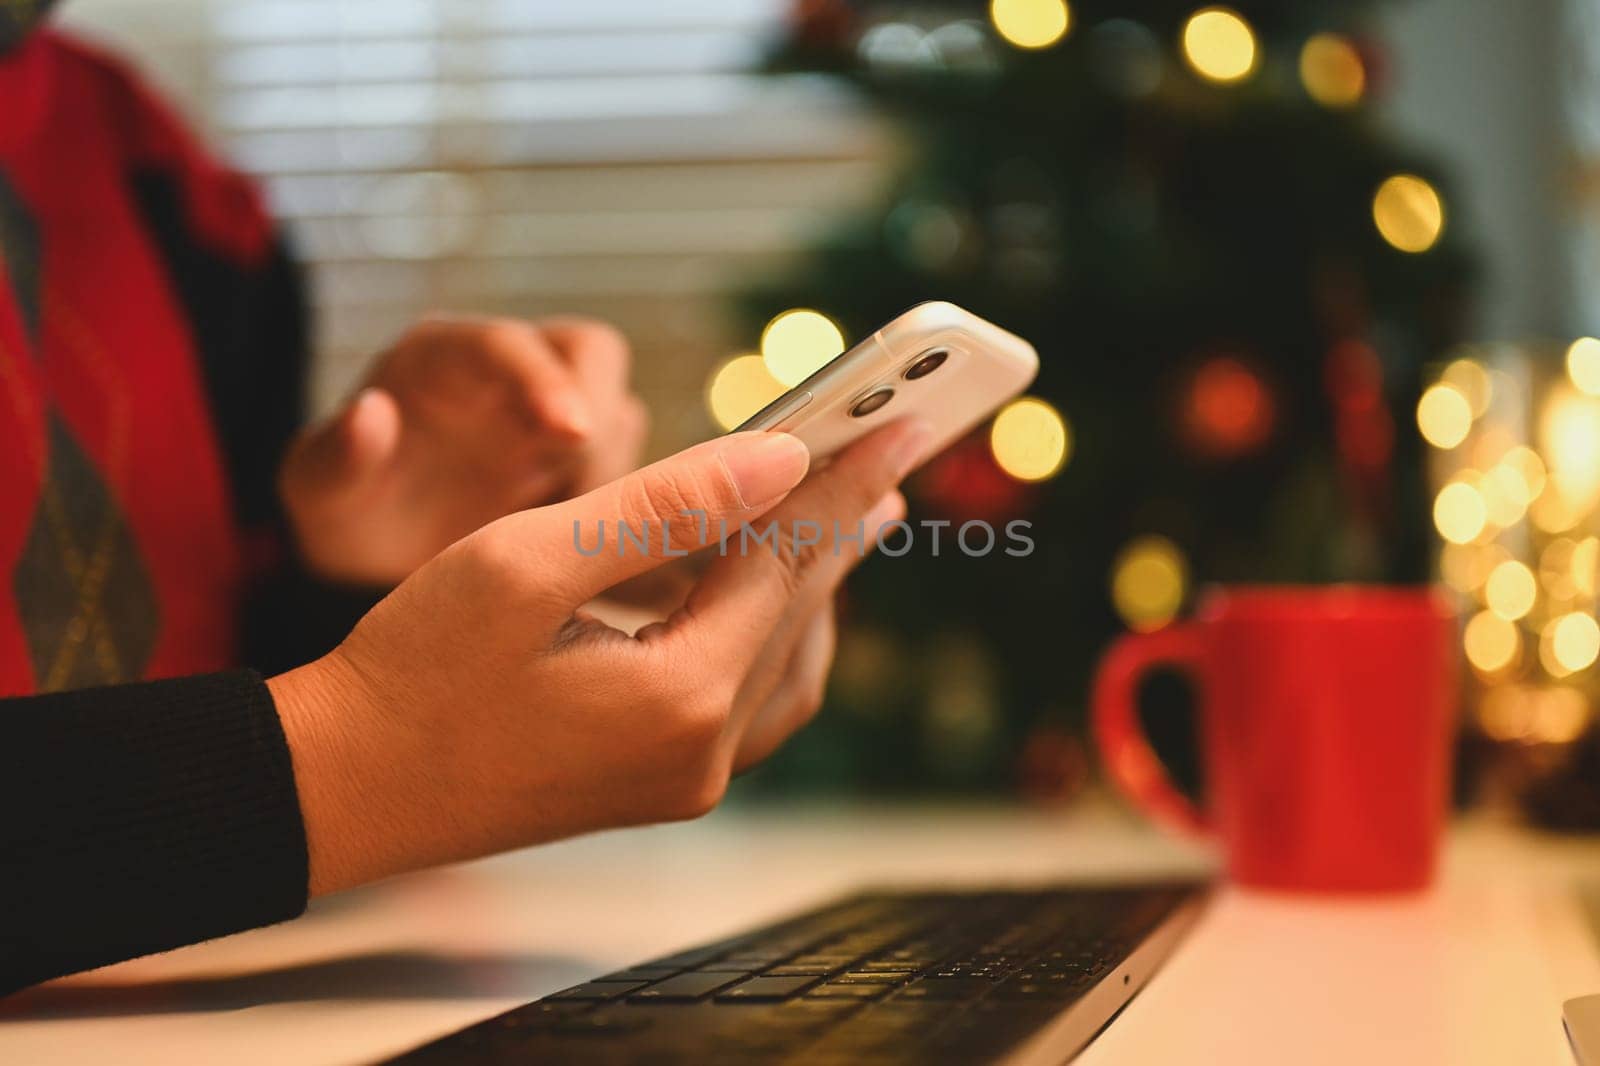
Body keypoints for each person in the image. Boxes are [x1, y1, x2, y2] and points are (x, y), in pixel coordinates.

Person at [0, 6, 925, 992]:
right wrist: (349, 765)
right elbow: (299, 770)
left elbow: (199, 699)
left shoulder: (175, 189)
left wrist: (366, 581)